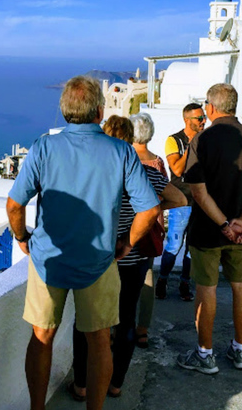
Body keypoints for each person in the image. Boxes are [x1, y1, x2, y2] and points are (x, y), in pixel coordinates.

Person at [6, 76, 161, 410]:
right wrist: (126, 244)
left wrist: (22, 238)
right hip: (100, 261)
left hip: (49, 260)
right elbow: (149, 210)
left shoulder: (44, 147)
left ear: (64, 109)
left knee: (41, 336)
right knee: (100, 341)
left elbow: (14, 205)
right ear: (100, 111)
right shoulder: (121, 151)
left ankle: (37, 407)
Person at [70, 116, 185, 400]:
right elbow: (180, 199)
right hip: (133, 259)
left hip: (97, 258)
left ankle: (82, 384)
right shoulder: (146, 174)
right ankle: (116, 384)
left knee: (85, 323)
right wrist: (149, 212)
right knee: (126, 322)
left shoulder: (90, 172)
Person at [176, 83, 242, 374]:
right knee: (241, 285)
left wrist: (223, 224)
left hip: (208, 231)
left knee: (207, 289)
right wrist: (241, 222)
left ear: (212, 107)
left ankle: (205, 354)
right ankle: (240, 350)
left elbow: (199, 192)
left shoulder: (202, 140)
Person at [158, 103, 206, 301]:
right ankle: (162, 281)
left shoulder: (208, 140)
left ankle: (185, 284)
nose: (203, 121)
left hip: (201, 201)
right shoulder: (174, 140)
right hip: (181, 200)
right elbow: (177, 169)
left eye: (204, 117)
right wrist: (192, 146)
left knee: (192, 247)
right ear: (187, 120)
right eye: (199, 118)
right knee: (174, 245)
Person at [130, 112, 168, 348]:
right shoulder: (157, 162)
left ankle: (118, 328)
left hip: (127, 226)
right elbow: (166, 193)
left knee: (121, 281)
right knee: (146, 278)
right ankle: (142, 330)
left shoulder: (125, 160)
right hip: (151, 228)